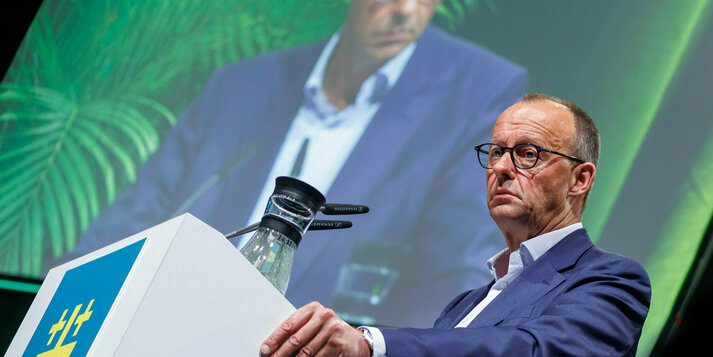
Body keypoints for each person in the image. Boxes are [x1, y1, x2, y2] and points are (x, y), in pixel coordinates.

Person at [64, 0, 528, 327]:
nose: (406, 10)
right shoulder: (241, 85)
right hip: (163, 331)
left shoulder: (476, 91)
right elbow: (133, 221)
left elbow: (453, 272)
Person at [260, 94, 651, 357]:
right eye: (496, 152)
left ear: (580, 179)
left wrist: (369, 344)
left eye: (527, 153)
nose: (500, 168)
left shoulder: (611, 280)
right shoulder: (467, 303)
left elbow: (528, 353)